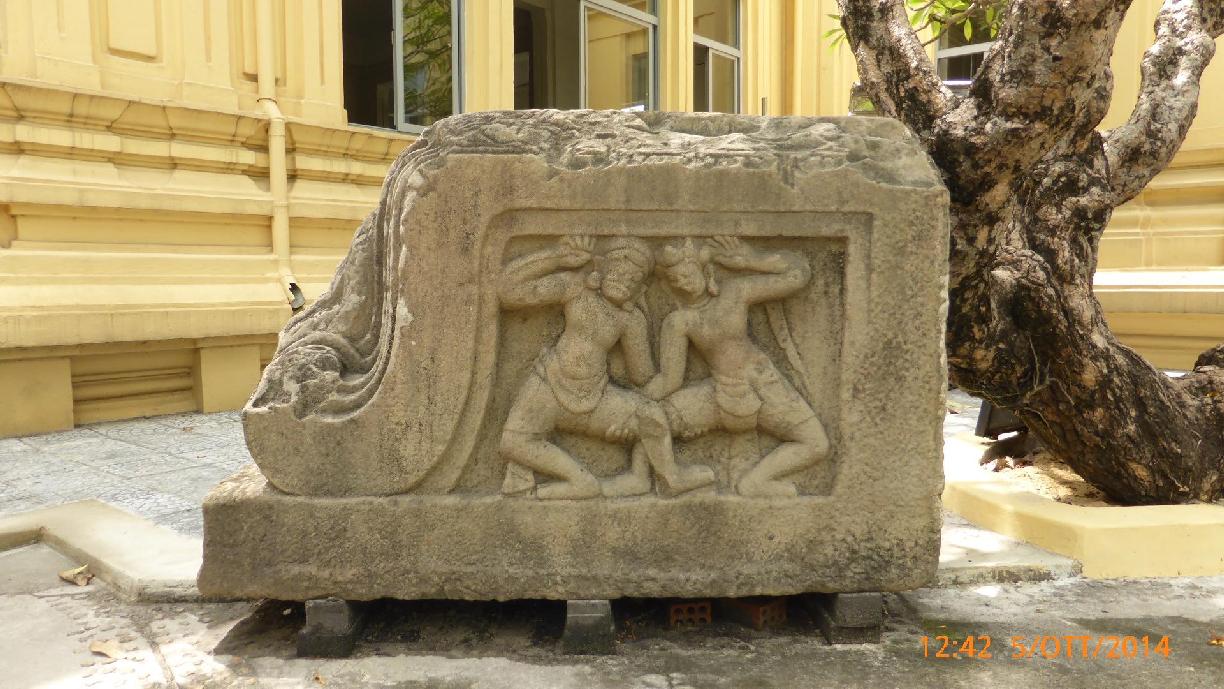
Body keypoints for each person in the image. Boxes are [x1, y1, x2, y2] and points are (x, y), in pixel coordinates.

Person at [498, 235, 715, 499]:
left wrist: (666, 409)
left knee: (651, 415)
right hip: (549, 384)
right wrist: (557, 258)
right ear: (601, 267)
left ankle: (667, 478)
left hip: (596, 395)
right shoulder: (575, 288)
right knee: (513, 442)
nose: (625, 281)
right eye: (619, 271)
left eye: (634, 279)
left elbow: (643, 379)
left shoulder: (630, 320)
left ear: (641, 289)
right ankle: (580, 480)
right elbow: (509, 291)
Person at [636, 236, 830, 498]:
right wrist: (636, 403)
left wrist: (751, 260)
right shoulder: (680, 322)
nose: (682, 282)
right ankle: (650, 478)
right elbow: (670, 380)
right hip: (725, 394)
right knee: (652, 420)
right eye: (675, 280)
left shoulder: (735, 292)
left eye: (687, 274)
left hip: (768, 385)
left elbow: (798, 276)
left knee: (817, 444)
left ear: (704, 271)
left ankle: (756, 481)